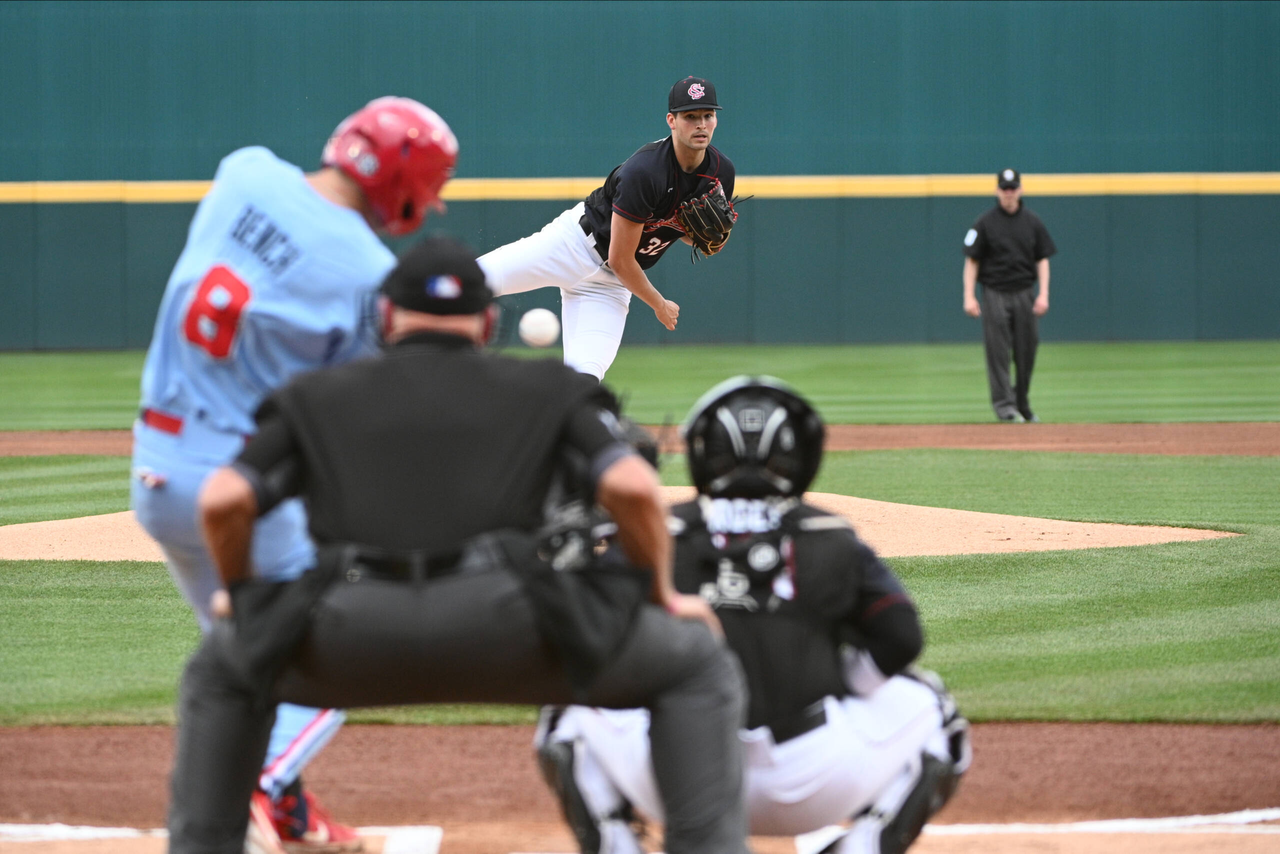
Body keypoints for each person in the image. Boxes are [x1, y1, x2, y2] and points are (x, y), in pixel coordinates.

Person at [165, 236, 752, 854]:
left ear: (386, 317)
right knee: (693, 663)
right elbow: (632, 487)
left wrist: (241, 593)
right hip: (517, 629)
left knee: (220, 671)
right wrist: (657, 593)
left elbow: (223, 500)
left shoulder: (315, 394)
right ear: (488, 322)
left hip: (348, 630)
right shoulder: (550, 389)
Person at [130, 96, 458, 851]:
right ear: (403, 182)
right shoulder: (371, 275)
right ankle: (252, 783)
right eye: (432, 184)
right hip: (239, 489)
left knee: (249, 653)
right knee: (343, 649)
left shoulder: (245, 172)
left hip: (157, 467)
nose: (433, 201)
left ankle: (286, 810)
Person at [534, 376, 972, 854]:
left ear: (703, 453)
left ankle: (616, 846)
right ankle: (861, 847)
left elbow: (581, 632)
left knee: (568, 700)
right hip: (811, 785)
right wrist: (842, 682)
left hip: (676, 780)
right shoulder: (829, 534)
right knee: (935, 708)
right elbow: (901, 637)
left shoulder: (661, 529)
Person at [477, 76, 737, 379]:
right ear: (672, 121)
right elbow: (621, 259)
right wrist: (659, 304)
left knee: (585, 381)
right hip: (572, 246)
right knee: (471, 281)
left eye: (708, 115)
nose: (701, 124)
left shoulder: (721, 172)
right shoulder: (645, 172)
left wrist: (711, 238)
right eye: (690, 116)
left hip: (610, 286)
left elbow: (695, 237)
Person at [962, 168, 1057, 423]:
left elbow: (1042, 259)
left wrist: (1044, 294)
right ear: (997, 191)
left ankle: (1022, 404)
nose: (1008, 192)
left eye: (1012, 188)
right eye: (1004, 188)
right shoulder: (984, 222)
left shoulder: (1033, 222)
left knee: (1027, 351)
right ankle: (1005, 407)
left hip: (1025, 292)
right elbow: (972, 260)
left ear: (1020, 189)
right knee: (998, 353)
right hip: (995, 293)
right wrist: (969, 295)